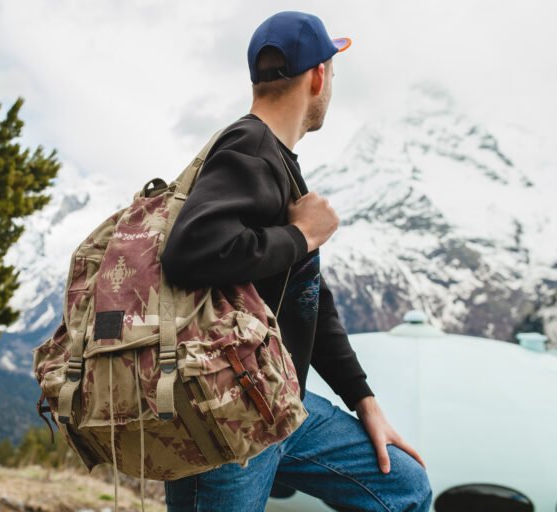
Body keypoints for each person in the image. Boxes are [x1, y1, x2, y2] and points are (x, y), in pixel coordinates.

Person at [159, 11, 433, 512]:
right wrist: (302, 234)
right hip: (228, 421)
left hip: (282, 406)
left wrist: (363, 401)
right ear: (318, 76)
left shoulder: (279, 162)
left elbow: (307, 297)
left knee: (403, 488)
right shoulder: (249, 148)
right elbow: (190, 252)